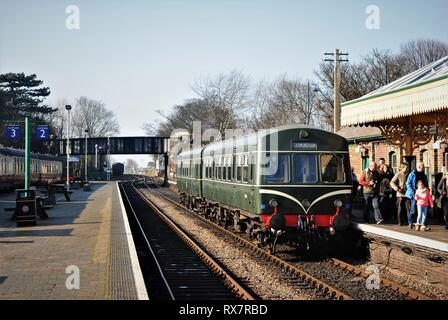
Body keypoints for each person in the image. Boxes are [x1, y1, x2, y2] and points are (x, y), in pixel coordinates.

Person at [405, 162, 429, 229]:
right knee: (413, 209)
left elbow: (426, 184)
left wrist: (427, 192)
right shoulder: (412, 174)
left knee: (423, 209)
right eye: (423, 166)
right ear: (418, 167)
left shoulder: (424, 175)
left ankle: (423, 223)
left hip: (423, 195)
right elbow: (408, 184)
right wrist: (413, 192)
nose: (424, 168)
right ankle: (410, 222)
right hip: (414, 194)